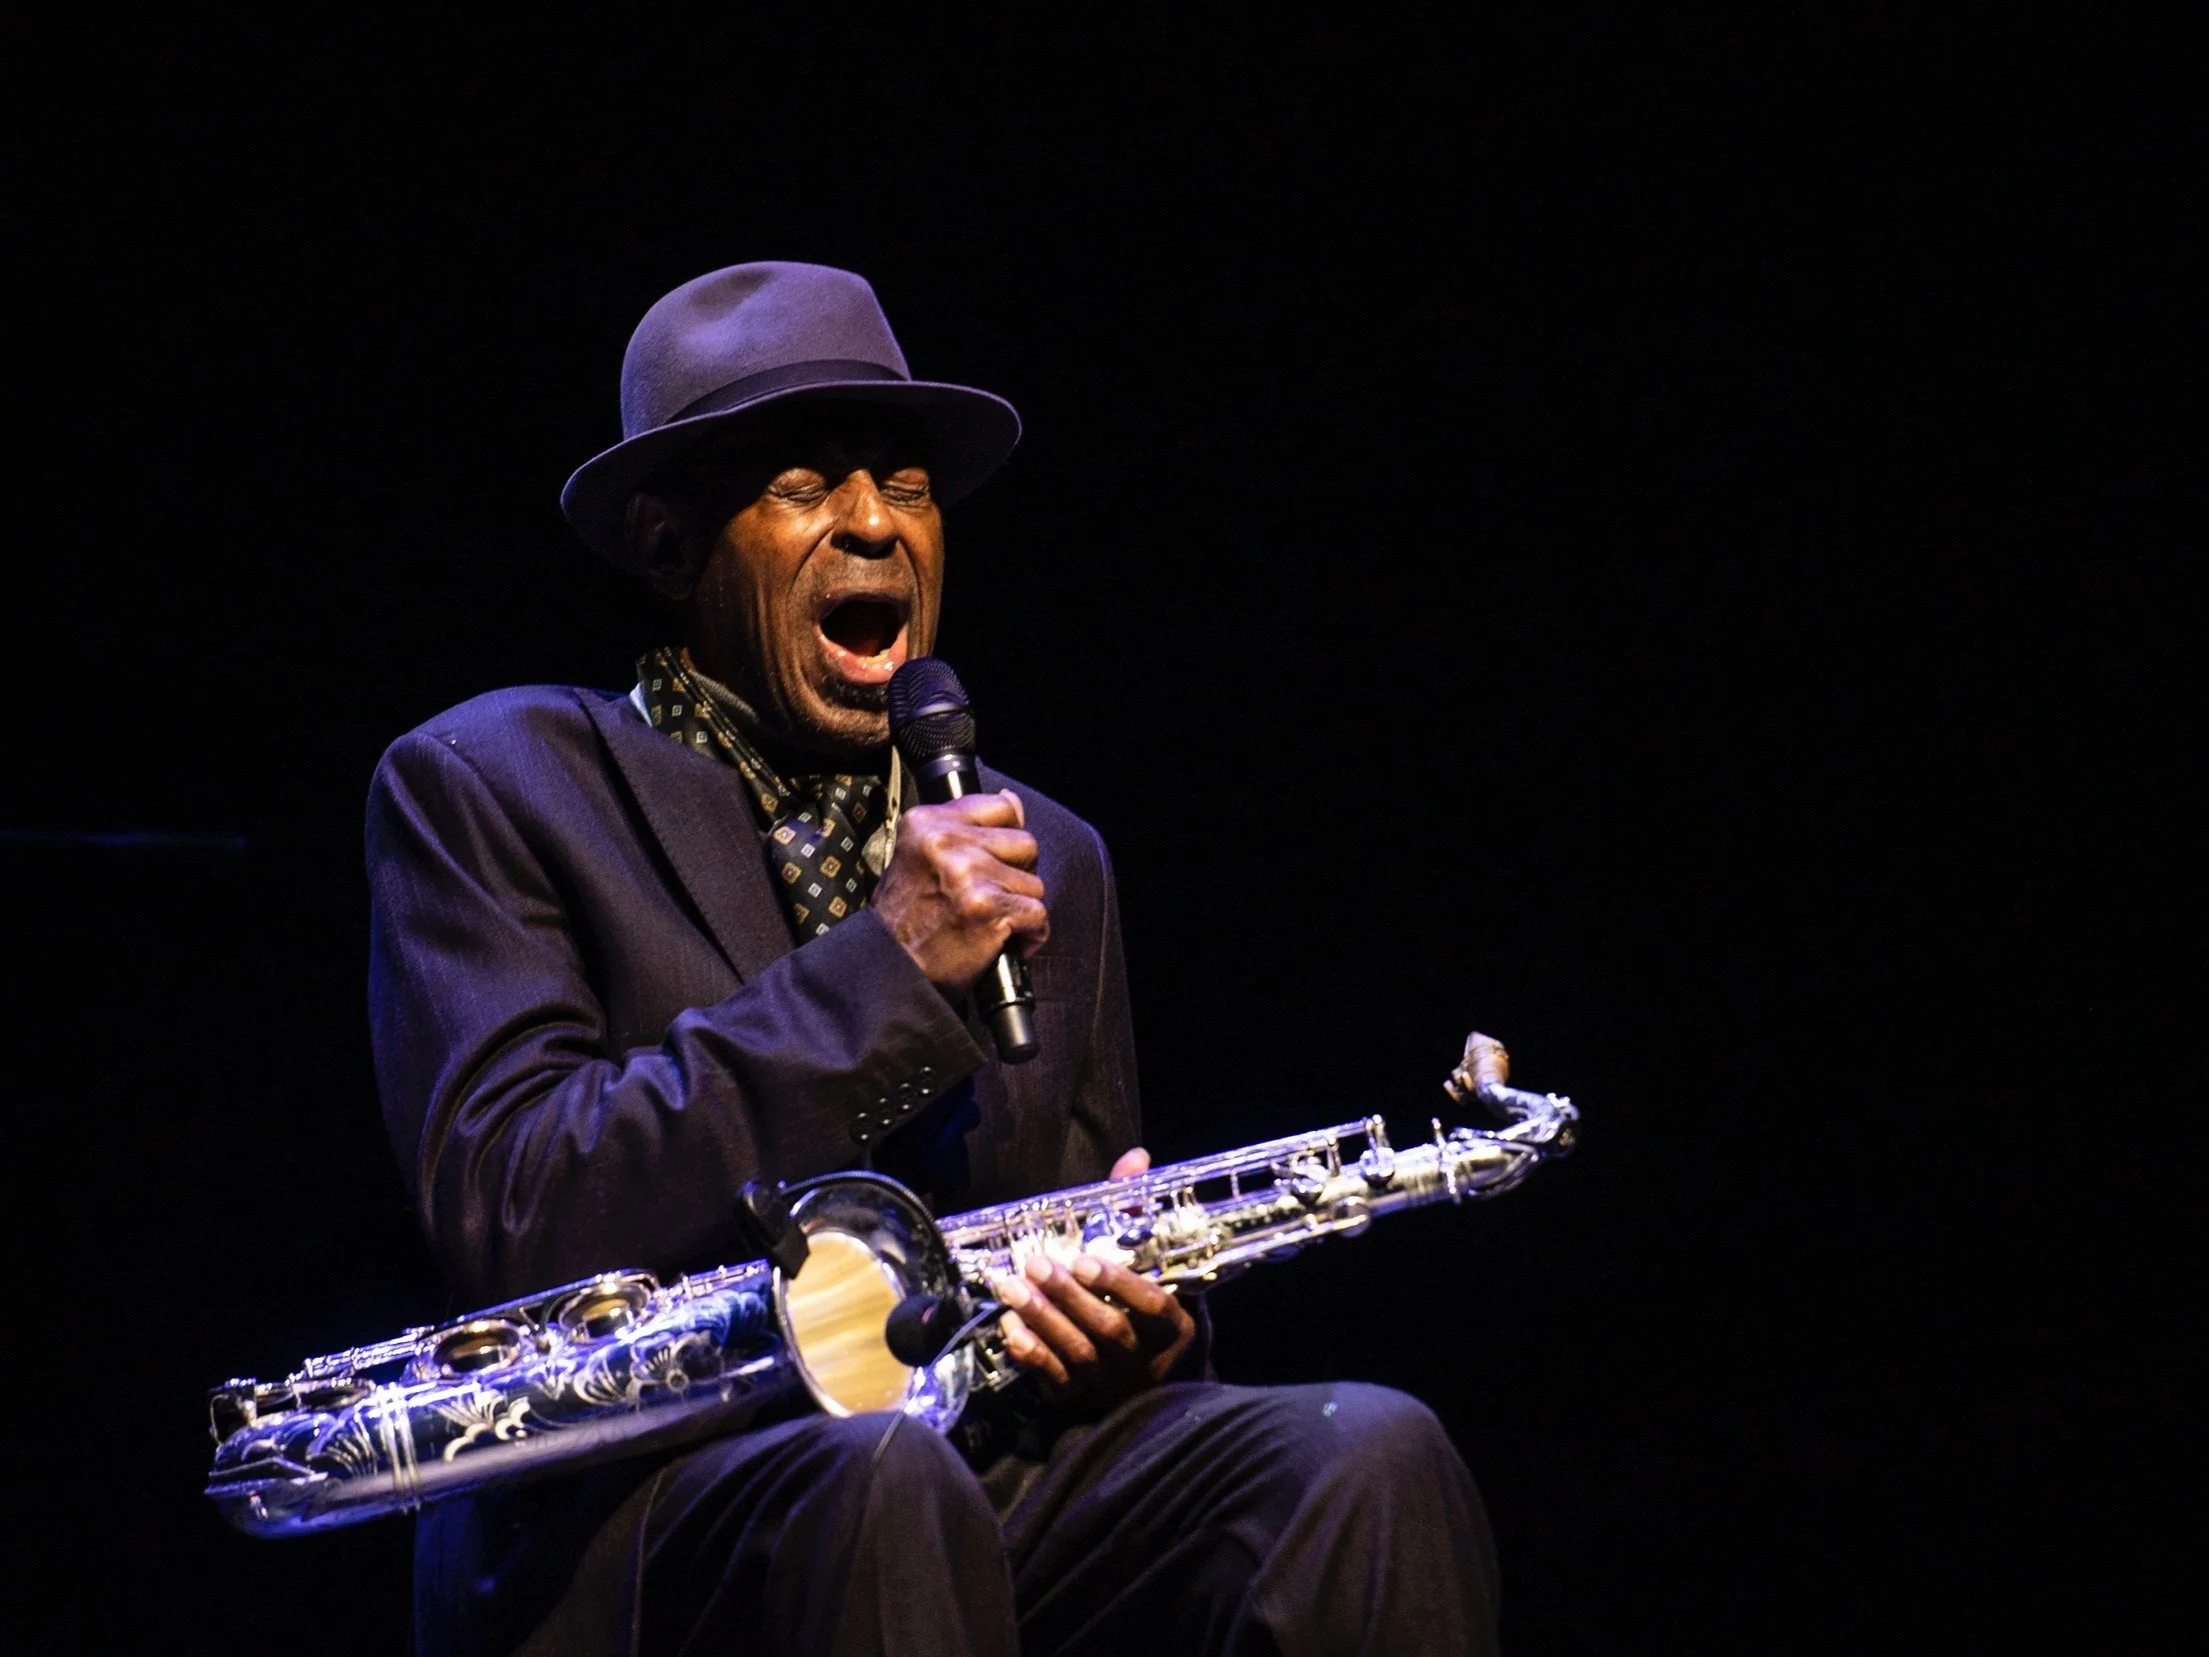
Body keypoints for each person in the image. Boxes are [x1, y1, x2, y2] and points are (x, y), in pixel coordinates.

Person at [368, 261, 1499, 1656]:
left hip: (971, 1467)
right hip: (644, 1511)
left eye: (904, 485)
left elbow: (1072, 1220)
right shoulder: (496, 783)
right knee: (881, 1485)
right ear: (667, 545)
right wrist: (885, 969)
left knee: (1362, 1459)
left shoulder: (1040, 852)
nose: (874, 524)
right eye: (804, 486)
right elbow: (515, 1209)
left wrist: (1138, 1334)